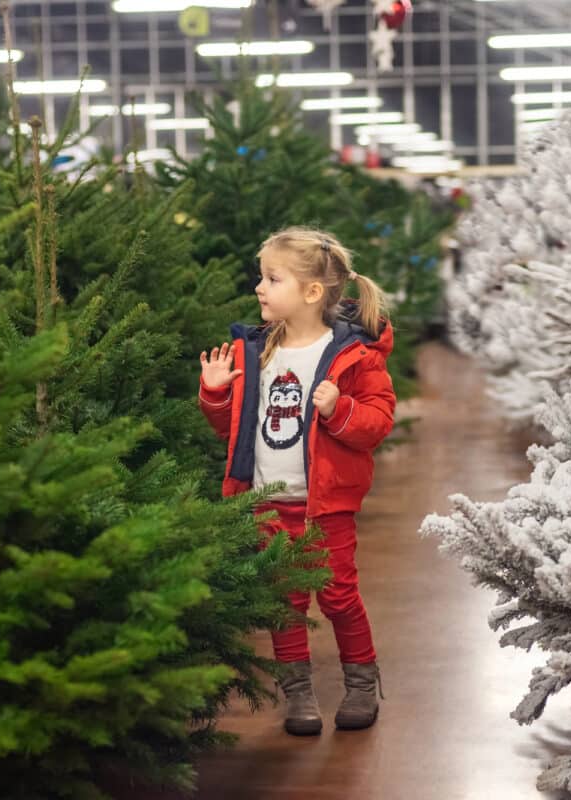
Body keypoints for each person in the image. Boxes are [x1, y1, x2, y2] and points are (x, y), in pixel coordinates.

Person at [197, 226, 396, 736]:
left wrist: (340, 409)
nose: (259, 288)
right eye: (261, 277)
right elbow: (236, 430)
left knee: (338, 597)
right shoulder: (257, 351)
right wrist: (216, 394)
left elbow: (377, 423)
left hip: (323, 507)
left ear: (311, 292)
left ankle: (359, 683)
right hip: (269, 504)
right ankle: (299, 694)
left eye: (272, 278)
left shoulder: (353, 355)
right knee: (283, 602)